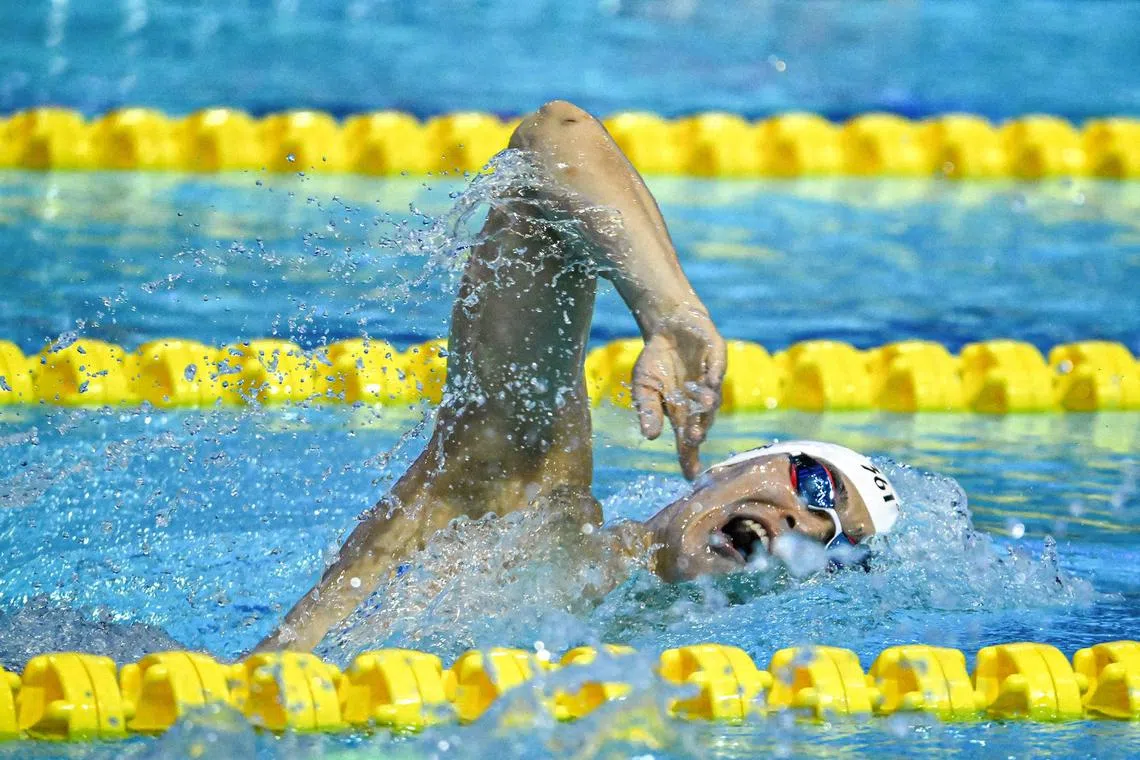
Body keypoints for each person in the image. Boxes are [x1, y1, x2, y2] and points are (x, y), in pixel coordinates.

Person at [259, 101, 899, 652]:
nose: (811, 528)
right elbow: (555, 139)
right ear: (729, 468)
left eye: (838, 550)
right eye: (817, 487)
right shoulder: (528, 511)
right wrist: (670, 311)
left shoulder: (668, 681)